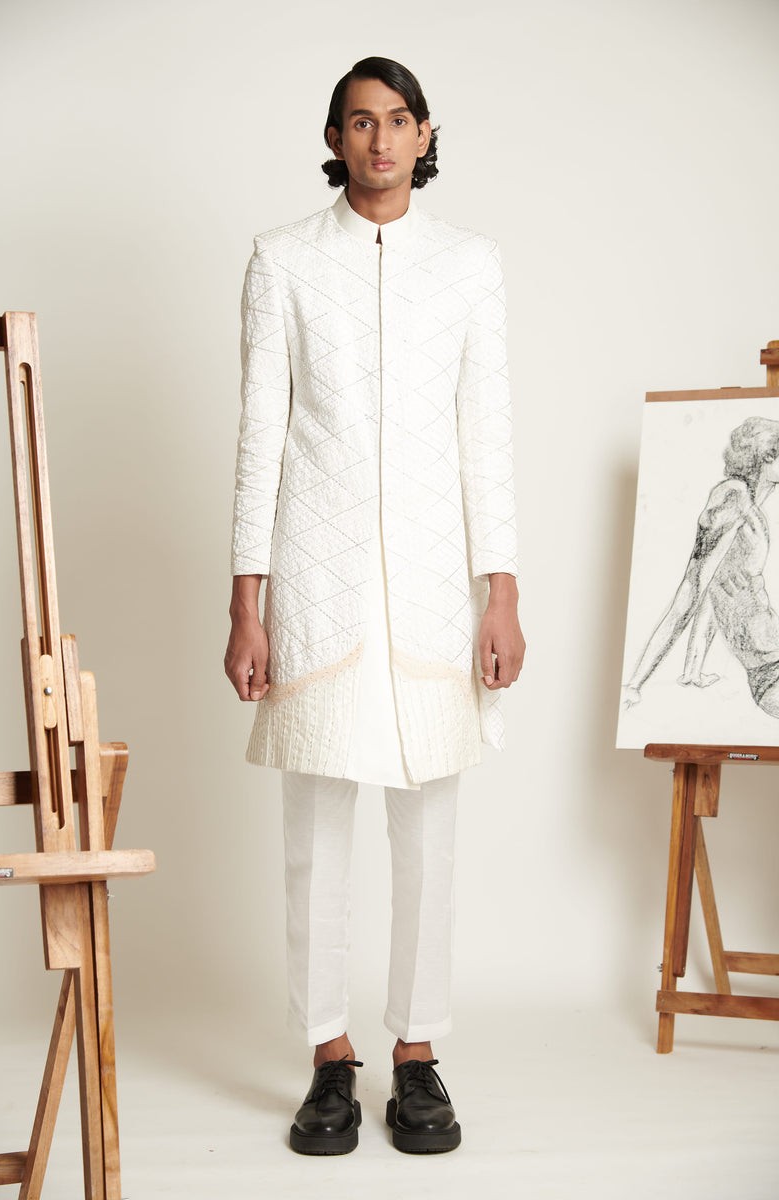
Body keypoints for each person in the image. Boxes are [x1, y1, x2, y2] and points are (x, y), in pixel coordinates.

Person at [225, 55, 524, 1156]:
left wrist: (501, 589)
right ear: (335, 138)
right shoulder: (283, 260)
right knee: (314, 836)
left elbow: (485, 432)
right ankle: (327, 1056)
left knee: (428, 835)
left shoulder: (469, 265)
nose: (381, 140)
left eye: (398, 121)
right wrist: (246, 600)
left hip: (437, 585)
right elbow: (260, 434)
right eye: (360, 122)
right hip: (316, 576)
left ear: (424, 134)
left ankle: (417, 1051)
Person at [623, 416, 779, 715]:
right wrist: (634, 684)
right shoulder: (733, 496)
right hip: (771, 673)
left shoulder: (755, 501)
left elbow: (714, 592)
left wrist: (692, 670)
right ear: (768, 455)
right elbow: (692, 591)